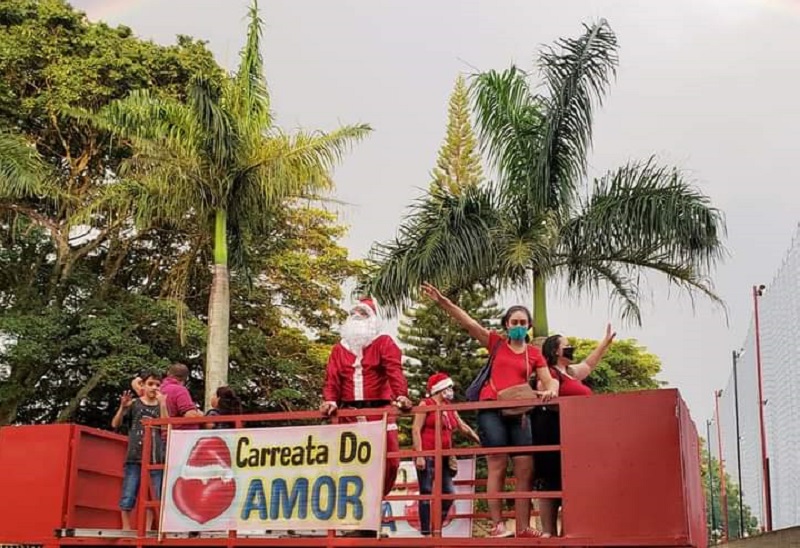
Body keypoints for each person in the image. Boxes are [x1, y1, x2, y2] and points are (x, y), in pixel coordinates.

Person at [421, 282, 559, 539]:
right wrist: (442, 301)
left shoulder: (534, 354)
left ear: (528, 326)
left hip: (519, 413)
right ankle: (498, 525)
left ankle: (523, 526)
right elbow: (468, 322)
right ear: (506, 324)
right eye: (514, 322)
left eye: (522, 323)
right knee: (497, 464)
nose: (518, 326)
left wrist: (550, 389)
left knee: (525, 468)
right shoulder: (496, 343)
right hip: (491, 409)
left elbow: (548, 379)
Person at [320, 297, 412, 537]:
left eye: (363, 313)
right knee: (351, 467)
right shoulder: (339, 348)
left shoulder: (383, 343)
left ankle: (372, 506)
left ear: (373, 318)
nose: (358, 317)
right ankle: (356, 521)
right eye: (354, 313)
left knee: (390, 461)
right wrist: (329, 400)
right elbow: (332, 379)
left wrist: (401, 395)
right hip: (349, 414)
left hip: (379, 413)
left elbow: (394, 370)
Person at [533, 324, 616, 537]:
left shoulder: (570, 373)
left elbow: (589, 364)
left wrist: (604, 344)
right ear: (555, 351)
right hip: (555, 430)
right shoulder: (550, 373)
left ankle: (566, 532)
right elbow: (546, 395)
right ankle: (549, 532)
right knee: (551, 481)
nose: (571, 349)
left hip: (578, 436)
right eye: (567, 346)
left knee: (572, 482)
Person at [412, 372, 480, 537]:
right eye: (448, 387)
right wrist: (420, 454)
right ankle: (427, 532)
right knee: (426, 492)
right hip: (427, 455)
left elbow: (462, 426)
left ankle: (437, 525)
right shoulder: (425, 404)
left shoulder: (449, 407)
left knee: (448, 494)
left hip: (444, 457)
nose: (451, 390)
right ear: (440, 389)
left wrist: (479, 440)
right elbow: (415, 429)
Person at [112, 370, 168, 531]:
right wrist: (122, 408)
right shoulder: (135, 404)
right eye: (150, 384)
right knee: (129, 490)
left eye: (157, 385)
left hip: (155, 456)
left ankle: (148, 527)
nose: (154, 388)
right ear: (142, 385)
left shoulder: (160, 405)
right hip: (135, 455)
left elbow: (165, 425)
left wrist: (163, 403)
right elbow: (115, 424)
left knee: (153, 494)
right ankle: (126, 526)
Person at [158, 363, 203, 428]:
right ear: (186, 378)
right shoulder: (179, 390)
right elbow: (190, 415)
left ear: (168, 374)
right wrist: (200, 415)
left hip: (160, 433)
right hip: (179, 434)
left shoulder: (159, 388)